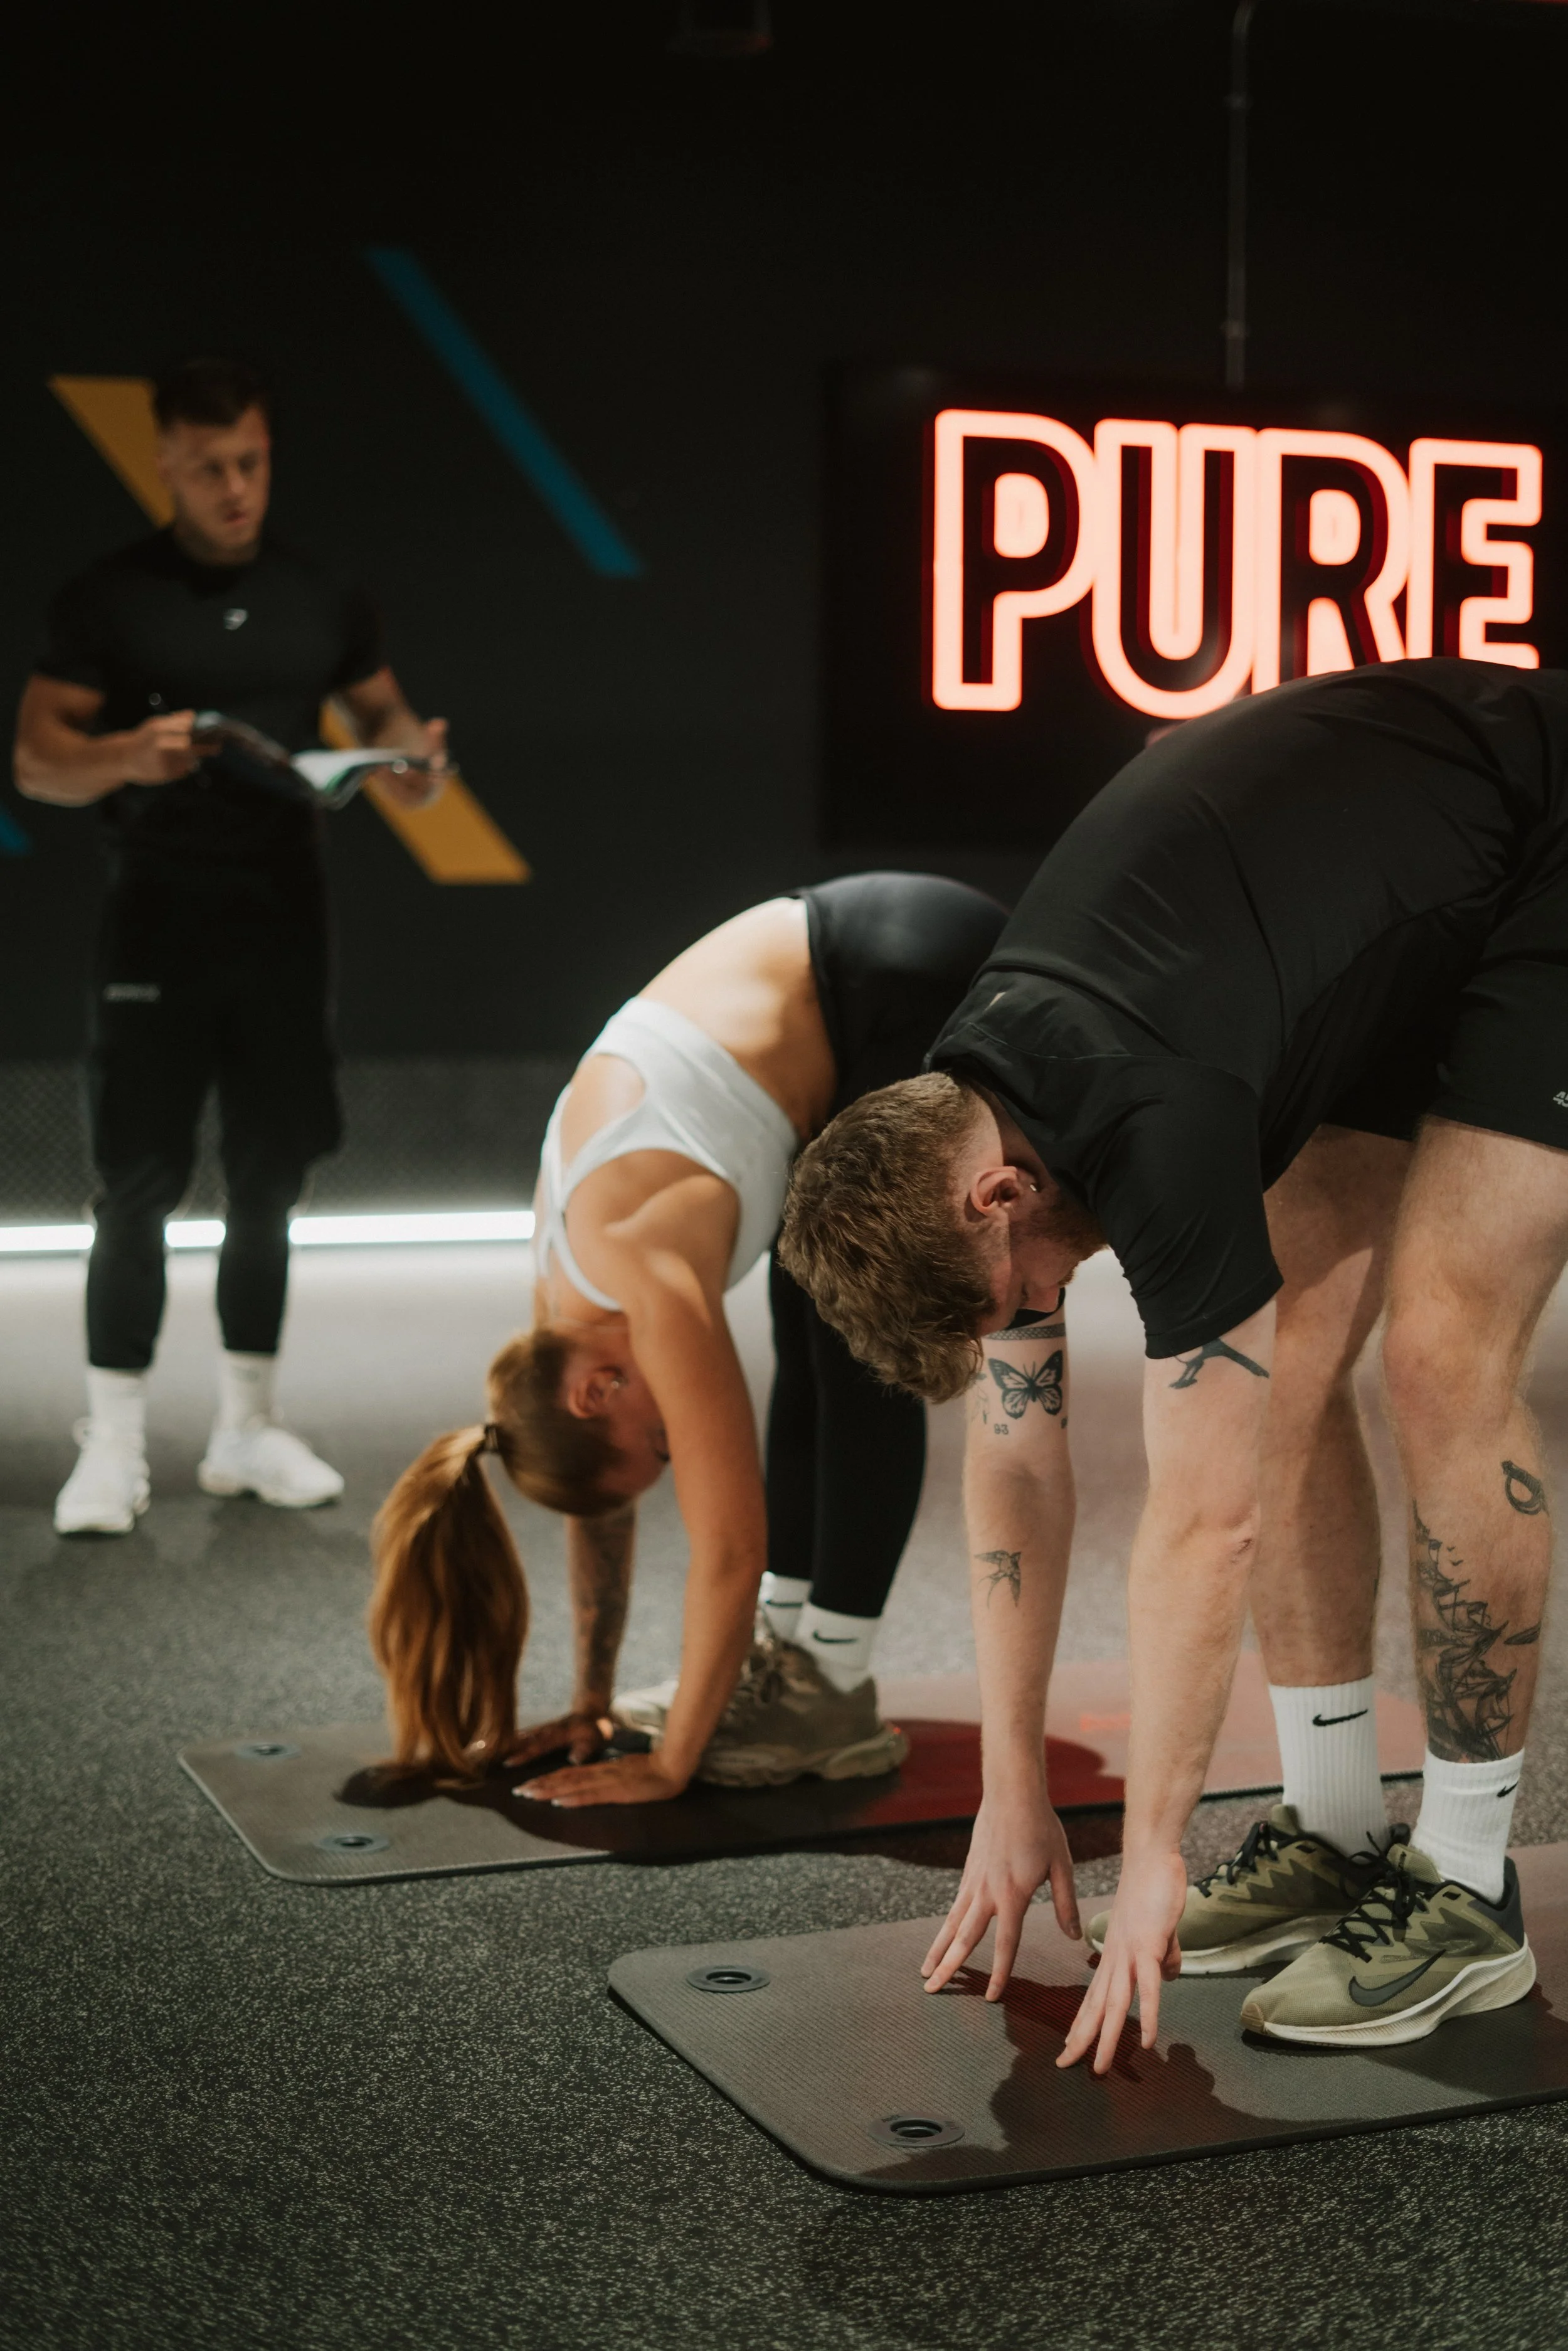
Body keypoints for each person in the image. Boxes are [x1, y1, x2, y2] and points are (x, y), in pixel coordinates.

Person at [780, 657, 1568, 2064]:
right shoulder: (975, 1111)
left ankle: (1463, 1885)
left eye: (999, 1300)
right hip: (1402, 896)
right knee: (1290, 1369)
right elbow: (1016, 1462)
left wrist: (1149, 1850)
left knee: (1440, 1360)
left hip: (1547, 838)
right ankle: (1331, 1827)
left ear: (992, 1198)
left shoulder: (1150, 1112)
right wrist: (1009, 1784)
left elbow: (1205, 1525)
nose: (1026, 1316)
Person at [368, 873, 1005, 1800]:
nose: (677, 1445)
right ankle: (787, 1657)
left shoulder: (639, 1270)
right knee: (810, 1317)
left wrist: (669, 1767)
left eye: (655, 1446)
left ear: (597, 1393)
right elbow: (604, 1507)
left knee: (856, 1335)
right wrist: (593, 1698)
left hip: (900, 971)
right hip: (854, 978)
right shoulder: (566, 1323)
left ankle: (829, 1683)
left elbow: (730, 1546)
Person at [14, 356, 447, 1536]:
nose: (235, 487)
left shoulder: (321, 592)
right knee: (138, 1184)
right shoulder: (109, 599)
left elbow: (387, 723)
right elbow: (35, 760)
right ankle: (111, 1444)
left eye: (251, 461)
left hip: (283, 918)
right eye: (209, 468)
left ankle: (245, 1428)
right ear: (164, 463)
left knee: (271, 1181)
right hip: (154, 916)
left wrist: (412, 765)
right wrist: (123, 758)